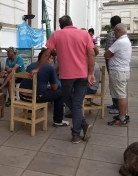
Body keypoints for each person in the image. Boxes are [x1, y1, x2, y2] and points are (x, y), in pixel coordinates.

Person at [30, 15, 95, 144]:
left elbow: (47, 53)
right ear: (72, 22)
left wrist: (37, 68)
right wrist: (91, 73)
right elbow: (92, 53)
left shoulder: (57, 34)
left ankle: (76, 133)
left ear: (61, 26)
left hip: (67, 76)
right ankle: (80, 127)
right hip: (82, 75)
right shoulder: (84, 33)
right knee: (77, 104)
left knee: (67, 99)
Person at [20, 49, 69, 127]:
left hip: (22, 96)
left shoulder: (30, 65)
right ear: (45, 57)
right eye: (52, 58)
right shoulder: (49, 68)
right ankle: (58, 121)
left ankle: (30, 113)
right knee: (60, 94)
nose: (53, 61)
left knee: (35, 89)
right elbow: (55, 87)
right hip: (35, 97)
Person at [104, 23, 132, 126]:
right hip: (122, 71)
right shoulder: (126, 40)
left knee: (121, 95)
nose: (114, 33)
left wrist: (110, 54)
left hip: (119, 71)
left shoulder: (120, 42)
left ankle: (122, 118)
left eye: (115, 31)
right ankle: (123, 114)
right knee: (121, 94)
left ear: (119, 31)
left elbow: (106, 54)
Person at [105, 15, 121, 114]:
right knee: (117, 85)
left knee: (114, 84)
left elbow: (108, 49)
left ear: (111, 24)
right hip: (120, 63)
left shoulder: (111, 34)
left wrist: (106, 60)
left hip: (112, 62)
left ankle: (116, 105)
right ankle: (115, 104)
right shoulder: (124, 34)